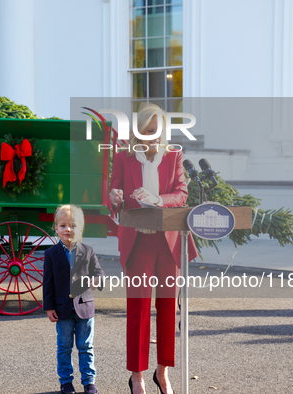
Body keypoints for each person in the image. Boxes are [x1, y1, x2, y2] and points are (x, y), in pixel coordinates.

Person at [108, 104, 198, 394]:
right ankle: (137, 376)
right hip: (137, 242)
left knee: (168, 309)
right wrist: (115, 196)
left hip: (168, 241)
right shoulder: (124, 158)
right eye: (147, 131)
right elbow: (112, 198)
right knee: (139, 309)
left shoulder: (173, 156)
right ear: (138, 132)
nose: (152, 137)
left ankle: (163, 372)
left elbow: (182, 193)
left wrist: (158, 200)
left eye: (157, 131)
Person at [43, 204, 105, 394]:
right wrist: (49, 307)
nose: (67, 229)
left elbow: (98, 272)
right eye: (63, 225)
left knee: (86, 346)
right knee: (64, 347)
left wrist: (98, 279)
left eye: (73, 225)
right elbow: (48, 283)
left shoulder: (88, 251)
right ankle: (66, 382)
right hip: (62, 309)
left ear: (80, 228)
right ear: (56, 228)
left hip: (85, 308)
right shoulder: (51, 254)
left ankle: (89, 381)